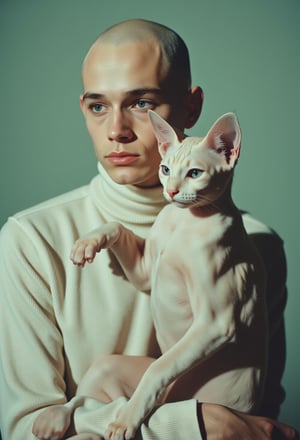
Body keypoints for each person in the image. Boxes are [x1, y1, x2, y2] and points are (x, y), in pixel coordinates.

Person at [0, 18, 297, 440]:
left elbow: (255, 427)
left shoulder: (256, 243)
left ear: (192, 107)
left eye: (141, 103)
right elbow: (26, 432)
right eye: (98, 106)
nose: (117, 131)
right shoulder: (30, 240)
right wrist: (192, 425)